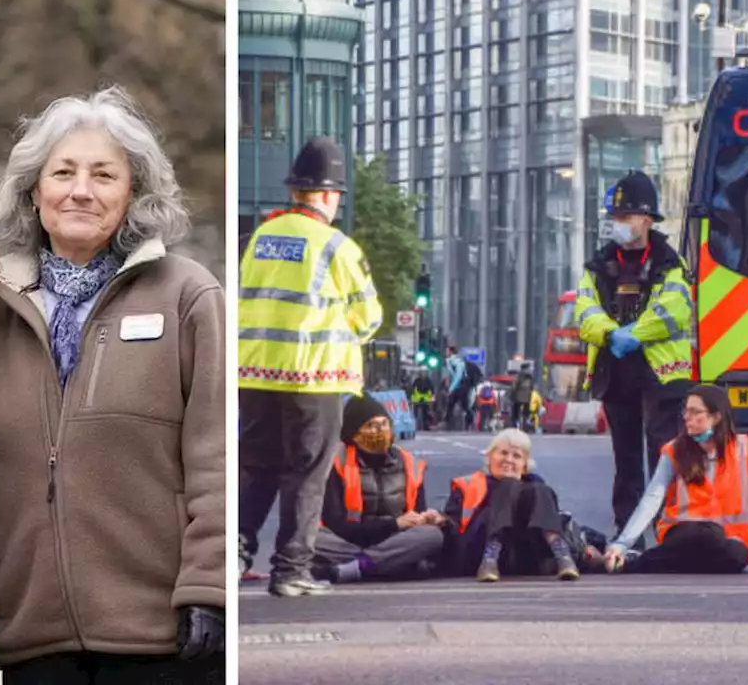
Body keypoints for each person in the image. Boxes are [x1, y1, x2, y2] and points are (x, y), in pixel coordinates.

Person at [0, 86, 225, 682]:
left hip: (162, 636)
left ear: (133, 192)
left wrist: (210, 584)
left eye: (104, 174)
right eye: (63, 172)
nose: (81, 190)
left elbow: (215, 453)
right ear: (34, 193)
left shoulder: (186, 295)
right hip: (33, 636)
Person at [238, 135, 384, 597]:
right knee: (307, 474)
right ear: (326, 195)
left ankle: (234, 557)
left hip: (256, 373)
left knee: (257, 468)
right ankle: (290, 569)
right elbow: (370, 315)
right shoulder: (335, 246)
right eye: (337, 195)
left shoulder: (261, 236)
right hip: (314, 376)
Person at [574, 170, 693, 536]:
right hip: (616, 373)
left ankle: (668, 528)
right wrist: (612, 335)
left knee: (664, 455)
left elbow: (674, 310)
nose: (618, 224)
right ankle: (627, 532)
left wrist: (635, 335)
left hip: (661, 375)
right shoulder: (598, 266)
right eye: (614, 217)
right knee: (625, 461)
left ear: (647, 219)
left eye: (625, 216)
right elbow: (585, 312)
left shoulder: (670, 264)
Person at [603, 385, 748, 574]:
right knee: (700, 538)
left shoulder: (743, 447)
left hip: (730, 539)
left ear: (717, 417)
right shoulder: (674, 450)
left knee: (729, 554)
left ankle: (635, 562)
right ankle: (626, 560)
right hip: (684, 532)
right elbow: (652, 500)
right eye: (686, 411)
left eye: (695, 412)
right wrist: (622, 544)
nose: (687, 417)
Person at [314, 395, 449, 584]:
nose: (379, 431)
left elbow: (416, 517)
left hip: (395, 541)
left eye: (384, 424)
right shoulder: (335, 463)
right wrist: (394, 524)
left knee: (432, 535)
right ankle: (386, 565)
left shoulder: (411, 465)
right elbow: (335, 524)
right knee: (312, 537)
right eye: (371, 426)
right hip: (349, 541)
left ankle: (358, 567)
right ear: (353, 433)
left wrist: (426, 518)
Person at [444, 429, 581, 582]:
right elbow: (450, 527)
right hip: (477, 550)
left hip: (526, 553)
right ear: (489, 457)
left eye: (516, 456)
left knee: (537, 488)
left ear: (524, 465)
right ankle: (490, 557)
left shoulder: (537, 488)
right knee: (508, 485)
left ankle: (561, 554)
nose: (508, 460)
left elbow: (558, 519)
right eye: (503, 453)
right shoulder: (469, 484)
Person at [511, 361, 535, 430]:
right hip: (527, 396)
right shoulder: (531, 375)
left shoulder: (520, 375)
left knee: (515, 409)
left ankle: (515, 422)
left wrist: (513, 392)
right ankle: (526, 422)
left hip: (519, 395)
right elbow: (532, 386)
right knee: (526, 410)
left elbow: (515, 385)